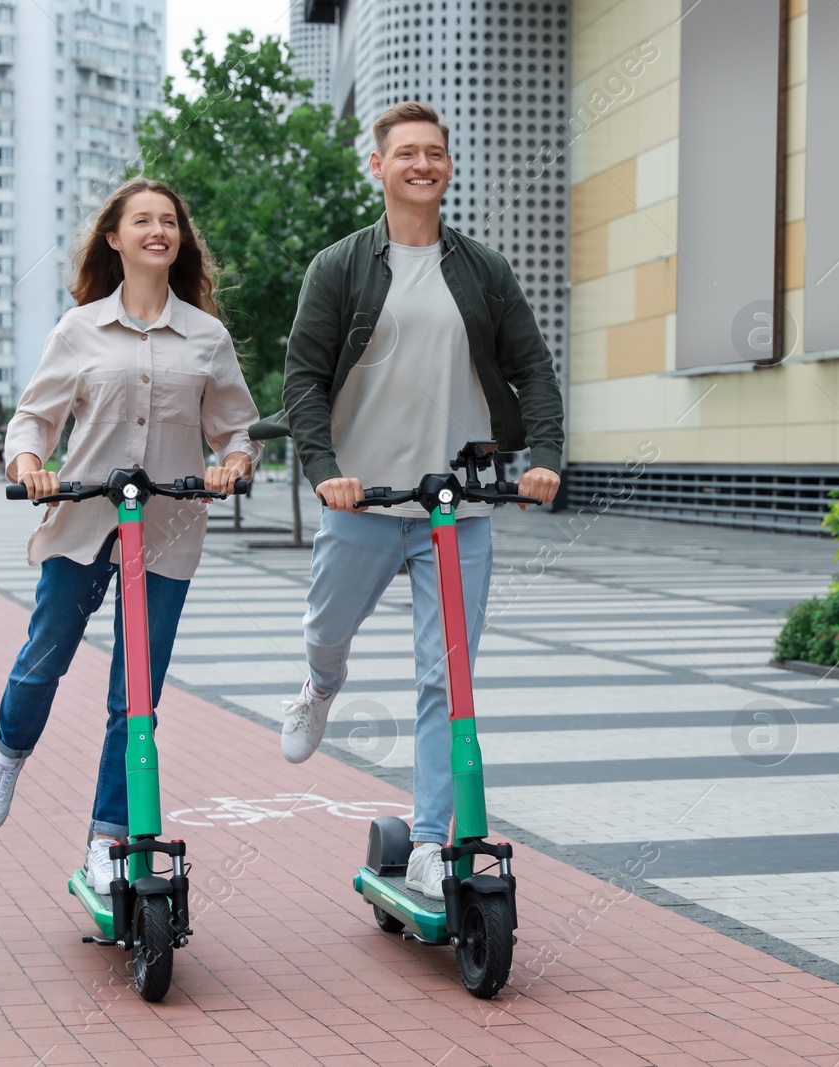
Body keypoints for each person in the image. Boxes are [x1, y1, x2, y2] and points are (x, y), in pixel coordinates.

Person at [280, 101, 564, 899]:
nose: (422, 164)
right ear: (378, 166)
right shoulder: (338, 266)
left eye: (435, 153)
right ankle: (320, 687)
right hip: (363, 498)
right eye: (406, 153)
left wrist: (542, 458)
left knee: (450, 678)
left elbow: (533, 369)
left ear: (447, 165)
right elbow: (302, 378)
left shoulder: (480, 269)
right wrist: (324, 469)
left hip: (458, 507)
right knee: (326, 628)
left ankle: (435, 839)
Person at [0, 177, 260, 895]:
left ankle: (108, 839)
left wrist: (234, 462)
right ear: (115, 237)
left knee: (136, 697)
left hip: (165, 528)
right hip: (83, 518)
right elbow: (32, 418)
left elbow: (235, 428)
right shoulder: (79, 330)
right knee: (43, 660)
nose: (157, 230)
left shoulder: (206, 337)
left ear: (179, 241)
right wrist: (31, 463)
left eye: (169, 221)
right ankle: (8, 752)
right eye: (143, 221)